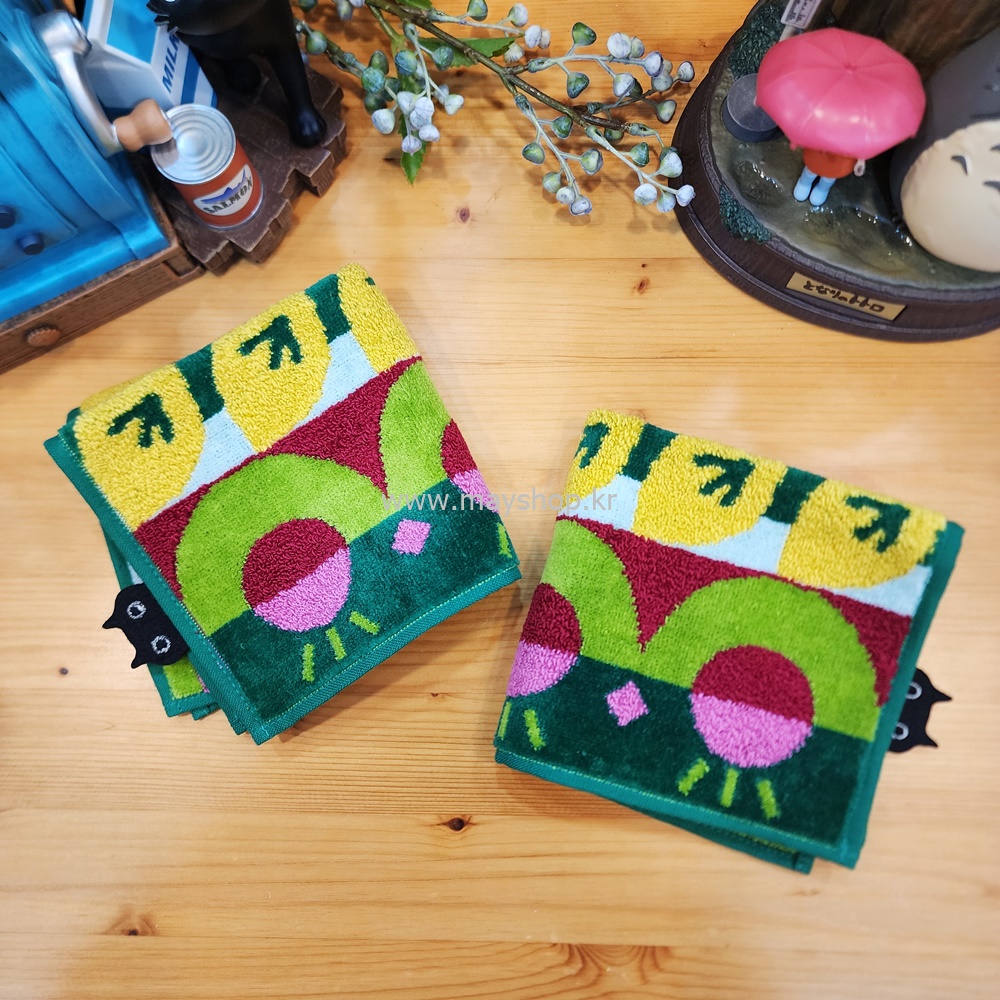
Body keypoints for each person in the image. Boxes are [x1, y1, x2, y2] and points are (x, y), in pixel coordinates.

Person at [792, 148, 866, 206]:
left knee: (832, 173)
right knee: (813, 165)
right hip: (819, 145)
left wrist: (861, 158)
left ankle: (822, 188)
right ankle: (805, 182)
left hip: (844, 154)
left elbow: (863, 139)